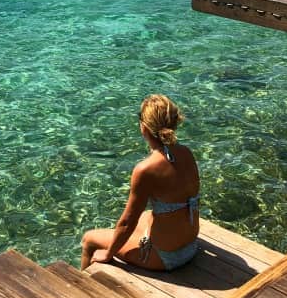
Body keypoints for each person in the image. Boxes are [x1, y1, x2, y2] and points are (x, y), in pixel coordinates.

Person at [81, 94, 200, 271]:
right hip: (191, 245)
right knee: (146, 216)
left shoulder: (145, 169)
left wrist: (108, 254)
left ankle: (80, 286)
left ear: (143, 127)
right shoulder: (186, 153)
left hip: (167, 258)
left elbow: (127, 222)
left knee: (89, 239)